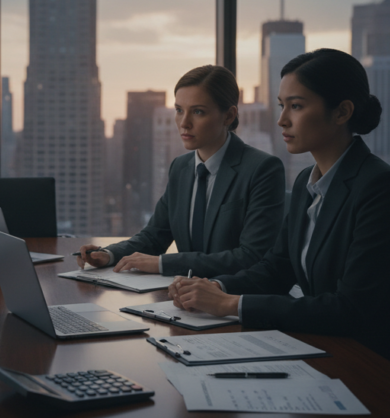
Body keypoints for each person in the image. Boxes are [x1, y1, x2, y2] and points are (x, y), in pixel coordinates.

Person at [169, 48, 390, 363]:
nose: (282, 119)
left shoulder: (380, 187)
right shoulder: (306, 182)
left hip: (373, 363)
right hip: (323, 347)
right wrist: (212, 286)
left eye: (296, 106)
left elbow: (350, 309)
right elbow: (277, 269)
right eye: (281, 106)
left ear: (342, 112)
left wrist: (229, 305)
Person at [75, 65, 285, 277]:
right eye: (179, 110)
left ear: (229, 116)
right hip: (184, 298)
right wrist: (109, 254)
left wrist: (162, 264)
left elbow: (250, 257)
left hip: (233, 299)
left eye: (198, 112)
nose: (184, 123)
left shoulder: (262, 169)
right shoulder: (181, 167)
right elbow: (154, 236)